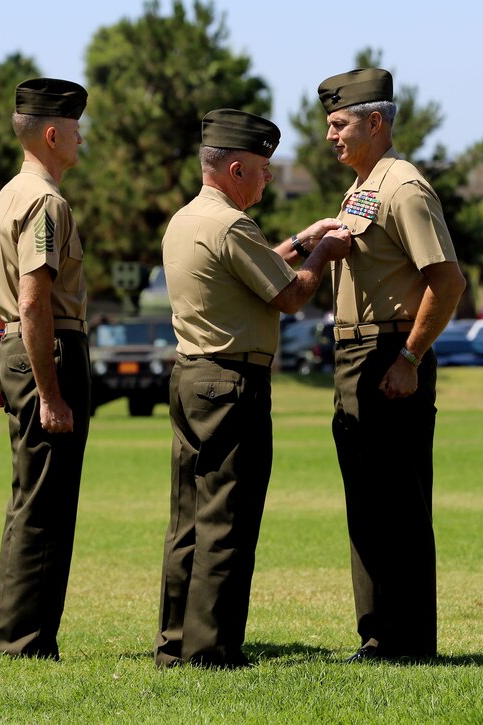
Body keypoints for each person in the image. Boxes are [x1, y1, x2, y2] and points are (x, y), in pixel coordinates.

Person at [154, 108, 352, 669]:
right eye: (263, 168)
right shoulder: (232, 226)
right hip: (232, 382)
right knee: (229, 518)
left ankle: (175, 643)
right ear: (236, 168)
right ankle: (212, 649)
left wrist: (298, 240)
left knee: (187, 519)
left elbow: (252, 270)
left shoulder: (187, 220)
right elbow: (289, 297)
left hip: (190, 378)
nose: (268, 178)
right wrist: (323, 253)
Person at [316, 68, 467, 663]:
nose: (331, 135)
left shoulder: (402, 187)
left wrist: (410, 357)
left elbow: (447, 280)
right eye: (329, 124)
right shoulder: (362, 188)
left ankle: (407, 641)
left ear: (375, 122)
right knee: (367, 501)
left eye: (340, 123)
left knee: (397, 503)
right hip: (356, 354)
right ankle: (379, 636)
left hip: (387, 354)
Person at [0, 77, 91, 660]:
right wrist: (48, 391)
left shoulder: (4, 198)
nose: (80, 138)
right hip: (50, 352)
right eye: (74, 129)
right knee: (47, 503)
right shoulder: (46, 202)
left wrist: (8, 362)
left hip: (19, 351)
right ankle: (26, 643)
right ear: (51, 134)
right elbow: (31, 299)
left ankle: (15, 636)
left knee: (30, 496)